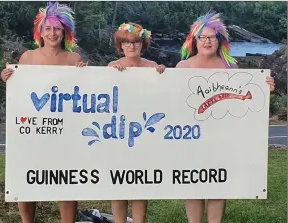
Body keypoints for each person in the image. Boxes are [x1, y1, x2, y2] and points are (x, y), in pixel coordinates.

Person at [176, 11, 275, 223]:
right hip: (190, 137)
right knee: (193, 186)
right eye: (203, 37)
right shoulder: (182, 67)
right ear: (194, 40)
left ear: (219, 40)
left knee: (217, 184)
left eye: (212, 37)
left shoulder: (231, 67)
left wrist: (265, 87)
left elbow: (245, 98)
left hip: (221, 137)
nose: (207, 41)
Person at [1, 2, 86, 223]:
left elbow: (85, 94)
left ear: (65, 31)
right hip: (33, 130)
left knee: (65, 181)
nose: (52, 33)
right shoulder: (27, 57)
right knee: (28, 179)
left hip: (65, 131)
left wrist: (85, 76)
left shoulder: (74, 59)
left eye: (57, 28)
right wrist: (7, 78)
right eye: (48, 28)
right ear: (40, 31)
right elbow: (20, 92)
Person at [107, 22, 165, 223]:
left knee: (141, 184)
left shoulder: (152, 67)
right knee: (119, 184)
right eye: (126, 43)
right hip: (119, 133)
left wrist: (162, 74)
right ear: (120, 45)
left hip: (144, 133)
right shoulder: (112, 67)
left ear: (143, 43)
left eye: (136, 42)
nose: (131, 46)